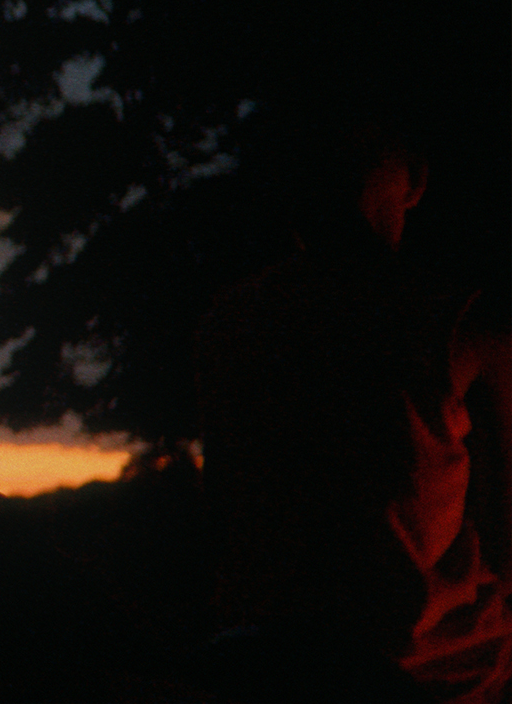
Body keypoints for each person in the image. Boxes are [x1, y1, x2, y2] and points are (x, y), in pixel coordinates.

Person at [196, 119, 512, 702]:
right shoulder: (450, 321)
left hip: (265, 648)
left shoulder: (234, 321)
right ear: (413, 181)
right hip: (421, 661)